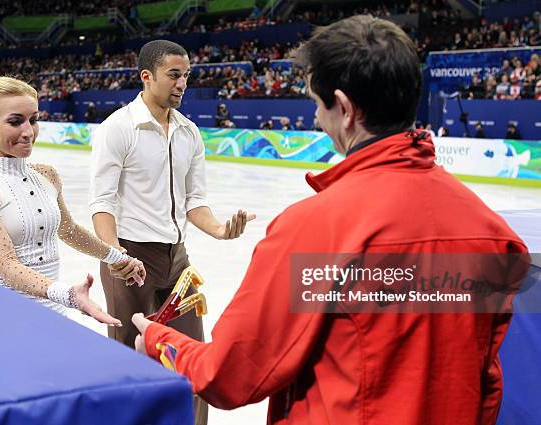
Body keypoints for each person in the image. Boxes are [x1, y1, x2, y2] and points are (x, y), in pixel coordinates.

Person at [132, 16, 528, 424]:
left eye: (318, 105)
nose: (318, 120)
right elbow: (487, 380)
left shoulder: (314, 230)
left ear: (345, 108)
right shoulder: (493, 233)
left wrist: (160, 340)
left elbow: (230, 375)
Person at [89, 40, 255, 425]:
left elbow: (195, 201)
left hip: (177, 260)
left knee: (193, 356)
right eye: (174, 75)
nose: (182, 84)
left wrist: (218, 230)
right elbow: (101, 203)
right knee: (130, 361)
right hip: (129, 258)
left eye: (187, 76)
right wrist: (116, 256)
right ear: (147, 77)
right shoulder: (118, 128)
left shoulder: (189, 133)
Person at [0, 77, 145, 325]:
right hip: (4, 315)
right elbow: (7, 267)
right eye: (15, 121)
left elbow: (69, 231)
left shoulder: (47, 175)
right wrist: (70, 295)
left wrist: (118, 258)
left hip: (53, 312)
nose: (28, 132)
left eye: (33, 120)